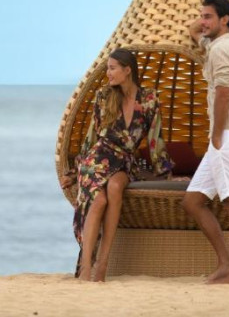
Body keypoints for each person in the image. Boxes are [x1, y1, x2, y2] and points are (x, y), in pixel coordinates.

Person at [60, 48, 174, 282]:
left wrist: (164, 172)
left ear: (127, 70)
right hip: (97, 159)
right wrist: (74, 172)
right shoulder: (104, 96)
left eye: (112, 68)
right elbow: (91, 137)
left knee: (115, 187)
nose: (108, 74)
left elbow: (155, 138)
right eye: (108, 69)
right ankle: (87, 268)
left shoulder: (149, 99)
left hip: (125, 160)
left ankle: (103, 263)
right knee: (99, 200)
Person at [181, 0, 229, 284]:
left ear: (225, 20)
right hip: (227, 138)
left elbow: (224, 93)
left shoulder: (222, 50)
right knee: (193, 201)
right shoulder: (220, 44)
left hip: (227, 137)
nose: (202, 21)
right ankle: (225, 263)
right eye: (202, 15)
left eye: (208, 16)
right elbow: (194, 30)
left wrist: (216, 135)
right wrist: (205, 23)